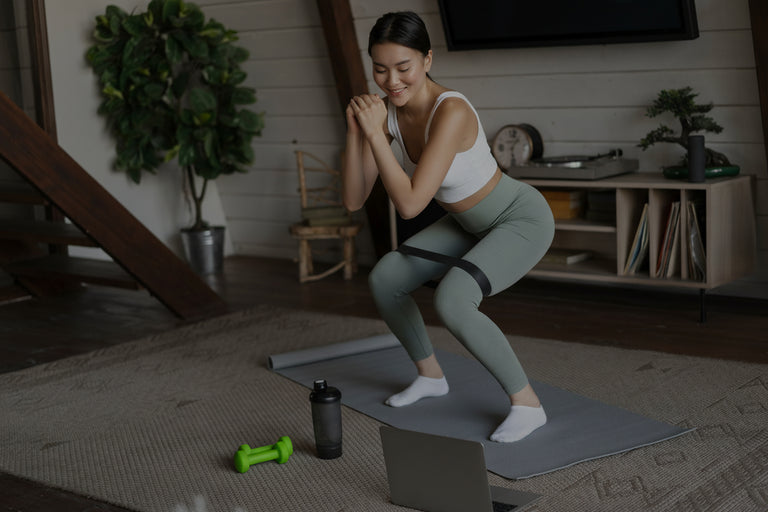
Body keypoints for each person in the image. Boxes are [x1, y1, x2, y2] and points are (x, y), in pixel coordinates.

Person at [342, 11, 555, 443]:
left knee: (454, 299)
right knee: (386, 278)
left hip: (519, 220)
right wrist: (356, 132)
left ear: (427, 59)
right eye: (380, 69)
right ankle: (430, 376)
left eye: (403, 67)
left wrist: (377, 136)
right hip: (465, 222)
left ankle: (528, 405)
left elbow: (410, 205)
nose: (391, 81)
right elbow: (353, 199)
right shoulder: (386, 114)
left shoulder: (451, 110)